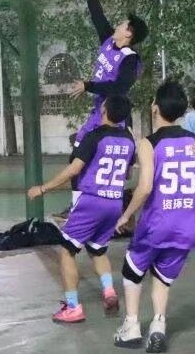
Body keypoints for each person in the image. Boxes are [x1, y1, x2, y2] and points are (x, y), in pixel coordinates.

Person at [113, 81, 195, 353]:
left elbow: (145, 187)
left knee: (132, 268)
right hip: (188, 224)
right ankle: (158, 327)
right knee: (163, 275)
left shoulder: (148, 143)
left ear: (155, 108)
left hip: (158, 222)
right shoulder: (192, 140)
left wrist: (126, 215)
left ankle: (131, 326)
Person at [27, 96, 136, 323]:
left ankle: (73, 307)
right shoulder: (128, 140)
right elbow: (127, 174)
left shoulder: (93, 136)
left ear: (104, 110)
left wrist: (43, 188)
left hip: (91, 201)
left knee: (67, 250)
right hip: (114, 203)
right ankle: (109, 292)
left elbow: (74, 170)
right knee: (98, 250)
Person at [64, 0, 147, 214]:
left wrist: (88, 85)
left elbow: (119, 88)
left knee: (109, 167)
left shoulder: (130, 59)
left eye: (122, 24)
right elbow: (97, 16)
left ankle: (117, 210)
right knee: (77, 158)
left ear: (128, 33)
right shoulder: (108, 42)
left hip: (116, 115)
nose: (117, 25)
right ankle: (78, 208)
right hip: (99, 113)